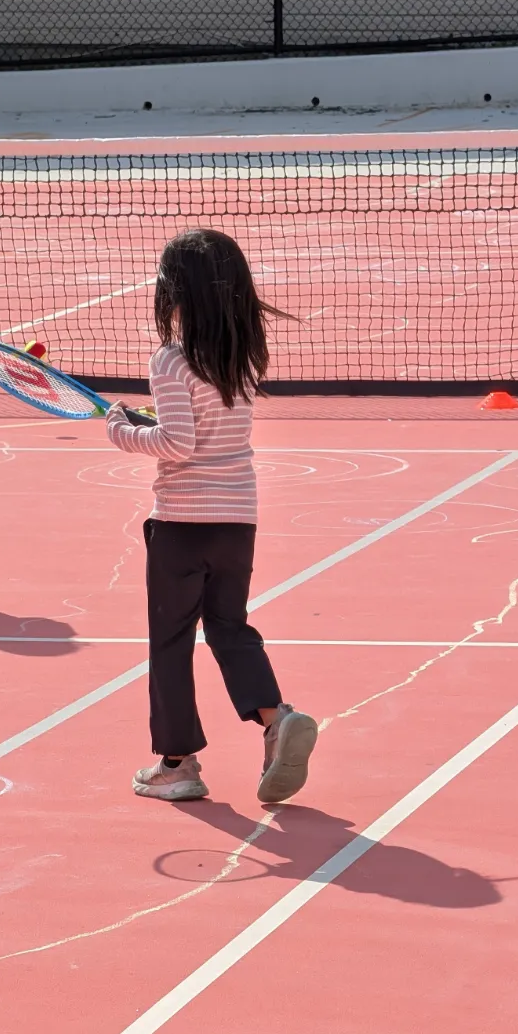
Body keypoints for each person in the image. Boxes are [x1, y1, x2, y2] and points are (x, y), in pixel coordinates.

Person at [105, 228, 317, 805]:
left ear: (177, 294)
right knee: (229, 626)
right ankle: (276, 718)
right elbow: (202, 425)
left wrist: (123, 433)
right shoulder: (243, 359)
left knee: (171, 640)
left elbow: (176, 443)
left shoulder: (170, 361)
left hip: (181, 524)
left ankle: (177, 763)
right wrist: (152, 418)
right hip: (236, 520)